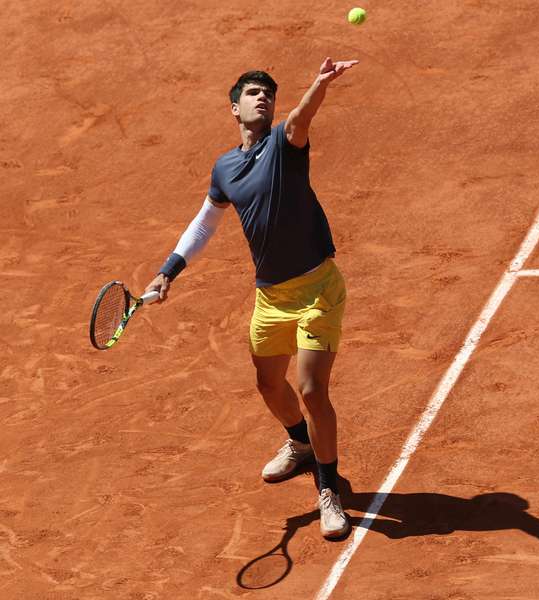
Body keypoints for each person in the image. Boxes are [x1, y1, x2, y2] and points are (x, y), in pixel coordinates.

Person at [144, 57, 359, 540]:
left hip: (318, 288)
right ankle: (300, 445)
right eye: (252, 93)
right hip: (271, 296)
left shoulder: (285, 144)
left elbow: (302, 118)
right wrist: (167, 273)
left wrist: (319, 84)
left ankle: (329, 491)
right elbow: (205, 223)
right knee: (269, 385)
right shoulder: (225, 167)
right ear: (234, 109)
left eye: (269, 94)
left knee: (310, 389)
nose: (263, 97)